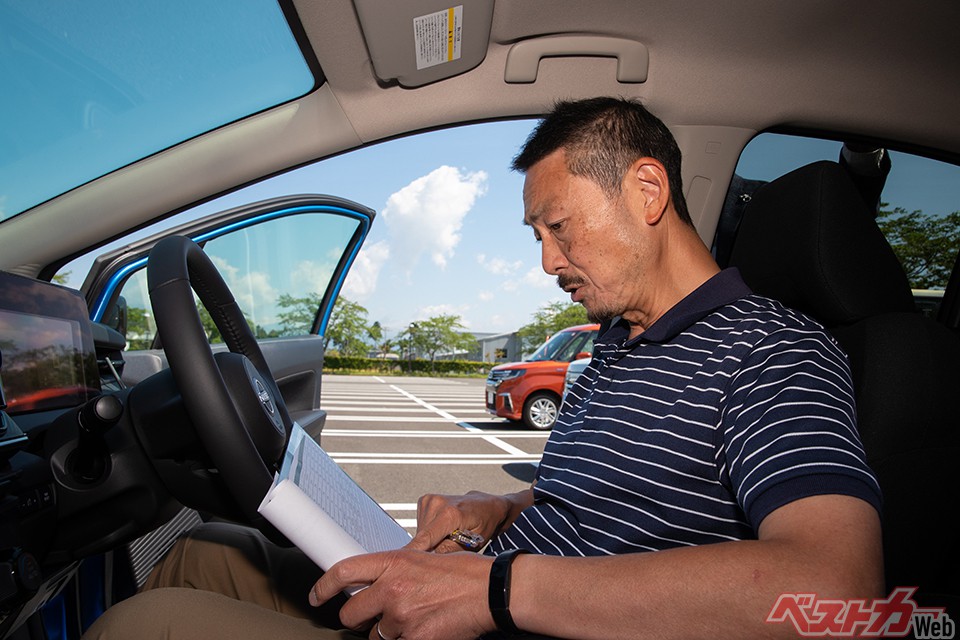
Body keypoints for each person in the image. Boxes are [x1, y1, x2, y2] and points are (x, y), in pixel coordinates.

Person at [84, 97, 884, 640]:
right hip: (485, 592)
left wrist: (495, 592)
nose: (546, 262)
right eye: (537, 235)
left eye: (559, 226)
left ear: (647, 190)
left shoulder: (775, 353)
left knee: (136, 628)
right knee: (207, 551)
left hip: (505, 617)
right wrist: (492, 508)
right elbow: (608, 496)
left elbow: (837, 587)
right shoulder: (615, 343)